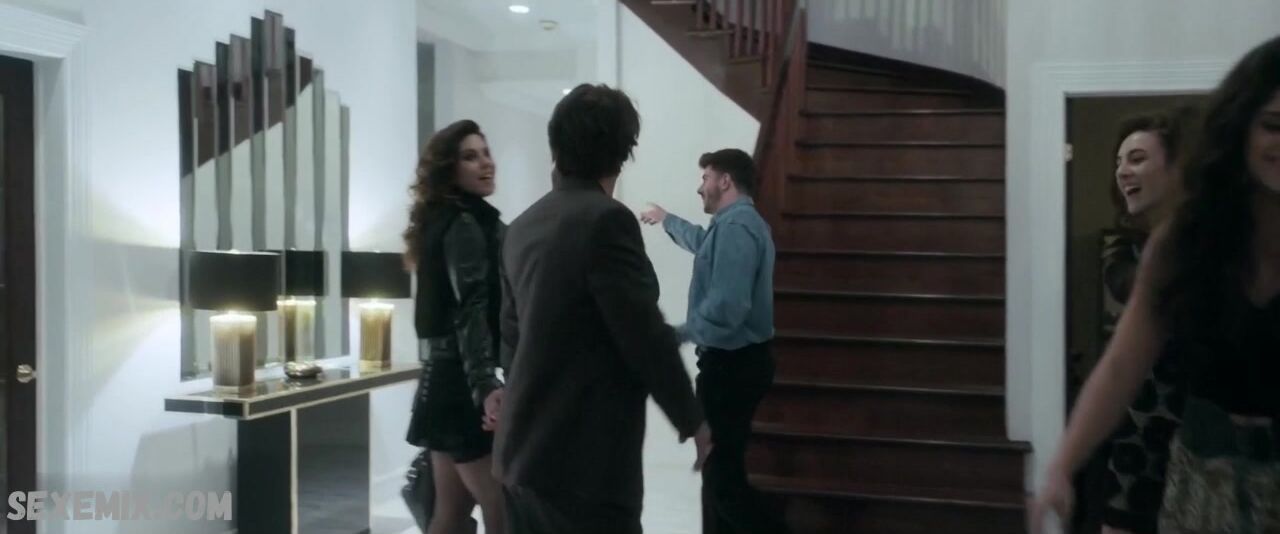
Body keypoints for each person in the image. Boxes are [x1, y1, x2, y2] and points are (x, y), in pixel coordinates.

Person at [1030, 35, 1280, 534]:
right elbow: (1122, 363)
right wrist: (1062, 463)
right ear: (1240, 128)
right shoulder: (1186, 241)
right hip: (1203, 490)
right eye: (1273, 125)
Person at [492, 83, 712, 534]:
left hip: (519, 459)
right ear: (623, 154)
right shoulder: (607, 220)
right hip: (583, 467)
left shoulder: (520, 228)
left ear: (555, 147)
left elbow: (510, 341)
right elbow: (643, 334)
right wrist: (694, 420)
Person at [639, 149, 787, 534]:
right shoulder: (734, 226)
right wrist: (667, 219)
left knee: (723, 483)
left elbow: (728, 306)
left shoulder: (737, 228)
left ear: (725, 181)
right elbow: (703, 244)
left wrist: (679, 334)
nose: (700, 186)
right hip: (736, 365)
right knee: (721, 476)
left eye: (705, 177)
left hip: (732, 368)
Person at [1088, 107, 1197, 534]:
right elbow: (1132, 287)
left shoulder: (1209, 243)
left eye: (1136, 159)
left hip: (1202, 437)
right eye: (1118, 162)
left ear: (1175, 169)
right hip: (1138, 437)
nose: (1122, 172)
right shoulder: (1124, 249)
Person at [402, 119, 505, 534]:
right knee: (500, 504)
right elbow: (471, 309)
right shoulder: (464, 224)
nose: (486, 163)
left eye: (486, 153)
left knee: (450, 513)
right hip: (460, 386)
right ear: (451, 170)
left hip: (442, 379)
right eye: (470, 157)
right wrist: (485, 385)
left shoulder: (443, 220)